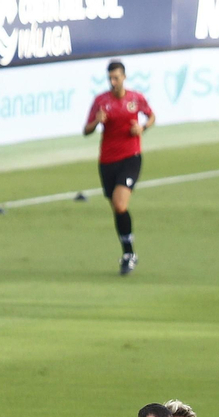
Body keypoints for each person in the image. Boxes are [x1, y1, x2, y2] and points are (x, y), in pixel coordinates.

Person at [83, 60, 154, 276]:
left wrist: (141, 127)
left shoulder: (135, 99)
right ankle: (128, 252)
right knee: (116, 207)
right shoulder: (101, 101)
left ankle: (129, 254)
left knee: (120, 204)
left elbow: (151, 116)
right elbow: (86, 130)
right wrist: (97, 122)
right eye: (110, 79)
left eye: (116, 78)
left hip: (131, 157)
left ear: (124, 77)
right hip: (107, 161)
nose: (113, 82)